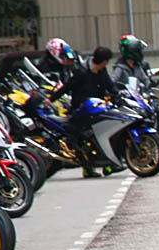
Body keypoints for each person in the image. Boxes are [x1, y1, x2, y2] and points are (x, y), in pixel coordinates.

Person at [48, 46, 119, 178]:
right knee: (86, 137)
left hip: (98, 107)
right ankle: (89, 168)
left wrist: (118, 95)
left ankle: (109, 165)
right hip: (82, 110)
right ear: (103, 61)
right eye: (107, 61)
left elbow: (110, 86)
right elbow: (67, 87)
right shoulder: (82, 72)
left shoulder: (102, 72)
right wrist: (51, 99)